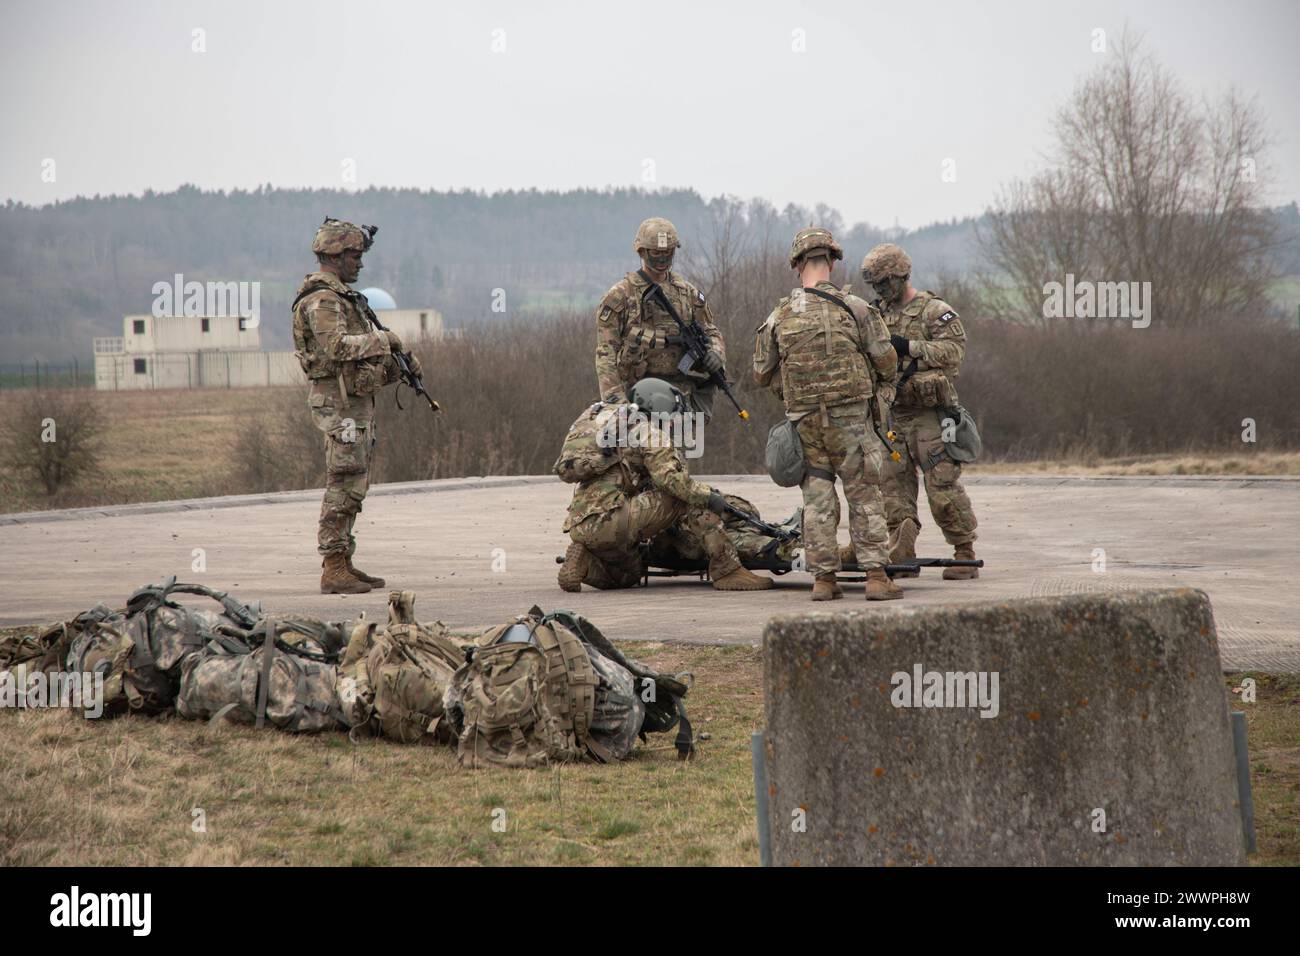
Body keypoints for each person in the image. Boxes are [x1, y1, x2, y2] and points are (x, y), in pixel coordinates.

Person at [753, 227, 901, 601]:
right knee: (864, 493)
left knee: (817, 499)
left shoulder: (780, 315)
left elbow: (761, 373)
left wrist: (791, 394)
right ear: (832, 261)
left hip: (806, 424)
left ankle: (823, 580)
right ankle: (876, 577)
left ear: (796, 265)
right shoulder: (856, 308)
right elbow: (886, 361)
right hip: (851, 421)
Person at [291, 218, 421, 594]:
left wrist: (397, 363)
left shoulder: (342, 297)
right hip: (339, 404)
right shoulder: (322, 300)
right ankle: (333, 566)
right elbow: (338, 348)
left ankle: (343, 560)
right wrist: (386, 340)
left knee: (354, 482)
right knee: (343, 481)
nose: (359, 264)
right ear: (333, 255)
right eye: (353, 255)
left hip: (353, 403)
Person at [556, 378, 772, 592]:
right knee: (687, 496)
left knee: (628, 575)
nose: (672, 424)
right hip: (614, 519)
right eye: (672, 418)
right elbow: (673, 482)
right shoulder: (647, 430)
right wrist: (709, 496)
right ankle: (727, 570)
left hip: (580, 524)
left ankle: (586, 562)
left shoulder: (605, 421)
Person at [861, 243, 979, 579]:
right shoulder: (875, 314)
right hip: (892, 415)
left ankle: (963, 550)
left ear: (901, 276)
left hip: (930, 415)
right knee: (892, 487)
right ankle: (902, 547)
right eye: (875, 285)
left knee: (942, 486)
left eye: (884, 283)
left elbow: (954, 351)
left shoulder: (934, 311)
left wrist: (910, 347)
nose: (880, 290)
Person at [594, 218, 727, 420]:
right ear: (642, 252)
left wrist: (716, 352)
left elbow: (710, 330)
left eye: (668, 252)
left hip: (680, 401)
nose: (662, 258)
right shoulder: (621, 296)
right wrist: (616, 404)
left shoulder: (688, 293)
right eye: (656, 252)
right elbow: (606, 353)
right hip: (637, 400)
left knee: (679, 452)